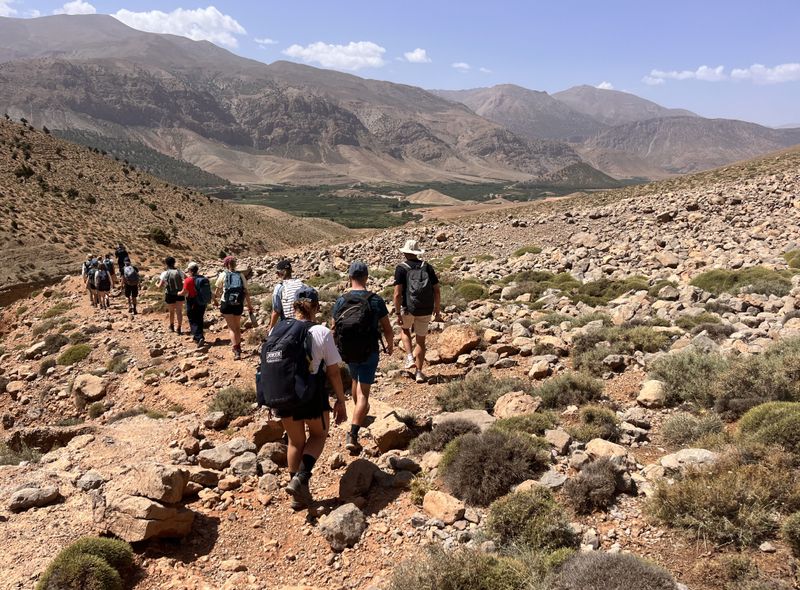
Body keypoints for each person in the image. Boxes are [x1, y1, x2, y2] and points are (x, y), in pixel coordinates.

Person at [259, 286, 347, 509]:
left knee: (295, 441)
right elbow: (333, 371)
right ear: (316, 307)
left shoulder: (276, 330)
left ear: (294, 306)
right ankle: (302, 477)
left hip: (283, 395)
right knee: (319, 435)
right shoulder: (320, 332)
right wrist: (340, 400)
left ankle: (296, 496)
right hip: (310, 396)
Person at [332, 261, 394, 455]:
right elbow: (387, 327)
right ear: (366, 277)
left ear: (350, 277)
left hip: (348, 351)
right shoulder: (375, 300)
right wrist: (390, 344)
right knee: (364, 394)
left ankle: (358, 414)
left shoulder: (341, 301)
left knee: (354, 378)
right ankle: (353, 433)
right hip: (369, 351)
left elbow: (334, 327)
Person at [393, 239, 442, 384]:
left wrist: (397, 312)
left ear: (406, 253)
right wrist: (437, 308)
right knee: (421, 341)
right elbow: (437, 290)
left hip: (408, 307)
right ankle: (419, 373)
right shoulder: (427, 267)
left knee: (405, 330)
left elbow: (397, 293)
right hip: (426, 308)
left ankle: (409, 357)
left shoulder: (401, 268)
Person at [213, 256, 254, 360]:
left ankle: (236, 350)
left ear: (226, 265)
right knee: (237, 327)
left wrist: (216, 300)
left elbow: (217, 292)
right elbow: (246, 292)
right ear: (235, 264)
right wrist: (249, 306)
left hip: (226, 304)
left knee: (231, 328)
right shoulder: (241, 275)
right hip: (238, 304)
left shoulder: (223, 275)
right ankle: (239, 348)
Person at [179, 261, 212, 347]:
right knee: (199, 319)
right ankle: (197, 337)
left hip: (192, 301)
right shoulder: (204, 278)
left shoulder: (188, 280)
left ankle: (199, 337)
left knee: (192, 319)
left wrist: (178, 293)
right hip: (202, 302)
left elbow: (184, 292)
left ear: (190, 270)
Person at [268, 259, 305, 332]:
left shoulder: (279, 288)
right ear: (291, 271)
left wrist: (270, 329)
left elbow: (276, 311)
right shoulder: (301, 284)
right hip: (305, 322)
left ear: (279, 274)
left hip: (290, 325)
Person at [158, 256, 185, 334]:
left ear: (166, 264)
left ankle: (172, 326)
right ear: (174, 263)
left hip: (169, 294)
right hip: (180, 293)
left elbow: (160, 286)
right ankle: (179, 328)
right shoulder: (180, 272)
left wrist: (157, 284)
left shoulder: (164, 273)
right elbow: (187, 279)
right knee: (179, 311)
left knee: (171, 311)